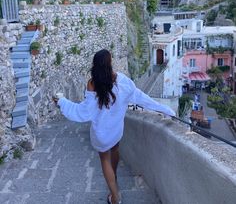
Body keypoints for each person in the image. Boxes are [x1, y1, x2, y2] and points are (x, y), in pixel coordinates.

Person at [52, 49, 175, 204]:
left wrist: (62, 102)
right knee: (115, 150)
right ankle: (114, 177)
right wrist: (166, 110)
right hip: (116, 130)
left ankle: (115, 196)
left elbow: (83, 112)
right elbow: (141, 98)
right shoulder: (122, 81)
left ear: (95, 65)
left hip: (101, 134)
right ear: (110, 63)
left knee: (104, 160)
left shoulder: (92, 84)